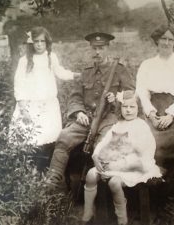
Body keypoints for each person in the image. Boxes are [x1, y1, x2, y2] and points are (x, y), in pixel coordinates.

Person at [45, 32, 134, 190]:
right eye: (94, 48)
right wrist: (79, 112)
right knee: (64, 137)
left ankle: (104, 190)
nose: (97, 52)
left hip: (109, 119)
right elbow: (75, 97)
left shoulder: (119, 70)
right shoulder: (85, 72)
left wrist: (117, 98)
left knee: (103, 145)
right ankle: (52, 183)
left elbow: (131, 95)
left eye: (101, 48)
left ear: (107, 48)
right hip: (86, 118)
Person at [81, 90, 161, 225]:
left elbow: (140, 153)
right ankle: (87, 215)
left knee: (114, 182)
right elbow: (104, 142)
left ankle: (122, 220)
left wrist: (116, 164)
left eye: (132, 107)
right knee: (90, 174)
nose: (128, 110)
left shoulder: (141, 126)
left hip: (134, 166)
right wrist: (96, 155)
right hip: (115, 162)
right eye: (125, 107)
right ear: (120, 108)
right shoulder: (118, 125)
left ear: (138, 108)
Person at [136, 24, 174, 194]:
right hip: (153, 107)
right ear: (157, 40)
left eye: (171, 39)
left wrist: (171, 114)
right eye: (163, 38)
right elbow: (141, 91)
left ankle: (173, 191)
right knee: (148, 143)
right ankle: (151, 190)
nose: (167, 42)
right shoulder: (147, 64)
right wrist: (150, 113)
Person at [9, 26, 80, 147]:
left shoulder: (51, 56)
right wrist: (23, 108)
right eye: (36, 41)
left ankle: (47, 162)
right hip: (30, 105)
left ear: (47, 42)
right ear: (31, 43)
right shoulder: (24, 60)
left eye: (42, 41)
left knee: (49, 138)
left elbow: (60, 72)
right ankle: (29, 163)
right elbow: (19, 84)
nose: (39, 45)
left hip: (48, 104)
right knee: (30, 138)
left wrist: (75, 75)